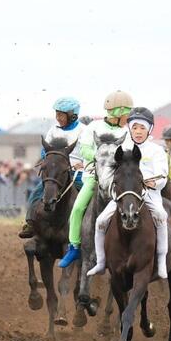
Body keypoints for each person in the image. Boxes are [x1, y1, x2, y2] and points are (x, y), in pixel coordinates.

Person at [87, 107, 169, 278]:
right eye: (134, 127)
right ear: (130, 129)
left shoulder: (157, 150)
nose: (138, 132)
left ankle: (161, 262)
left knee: (161, 215)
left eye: (142, 128)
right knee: (100, 220)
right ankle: (101, 263)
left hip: (149, 195)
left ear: (149, 130)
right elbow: (111, 172)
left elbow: (163, 176)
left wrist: (155, 182)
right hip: (124, 196)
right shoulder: (121, 148)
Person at [58, 90, 133, 268]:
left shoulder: (127, 133)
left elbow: (128, 155)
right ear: (118, 112)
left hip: (118, 181)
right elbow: (85, 150)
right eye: (127, 113)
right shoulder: (93, 127)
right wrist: (104, 158)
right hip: (94, 177)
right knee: (77, 209)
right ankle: (74, 247)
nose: (128, 117)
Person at [18, 96, 85, 239]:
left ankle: (90, 226)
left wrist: (84, 163)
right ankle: (30, 223)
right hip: (56, 172)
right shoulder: (53, 130)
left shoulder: (83, 131)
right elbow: (45, 149)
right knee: (36, 192)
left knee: (90, 194)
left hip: (78, 173)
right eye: (57, 114)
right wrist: (46, 159)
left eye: (61, 115)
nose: (58, 118)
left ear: (72, 115)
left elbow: (90, 151)